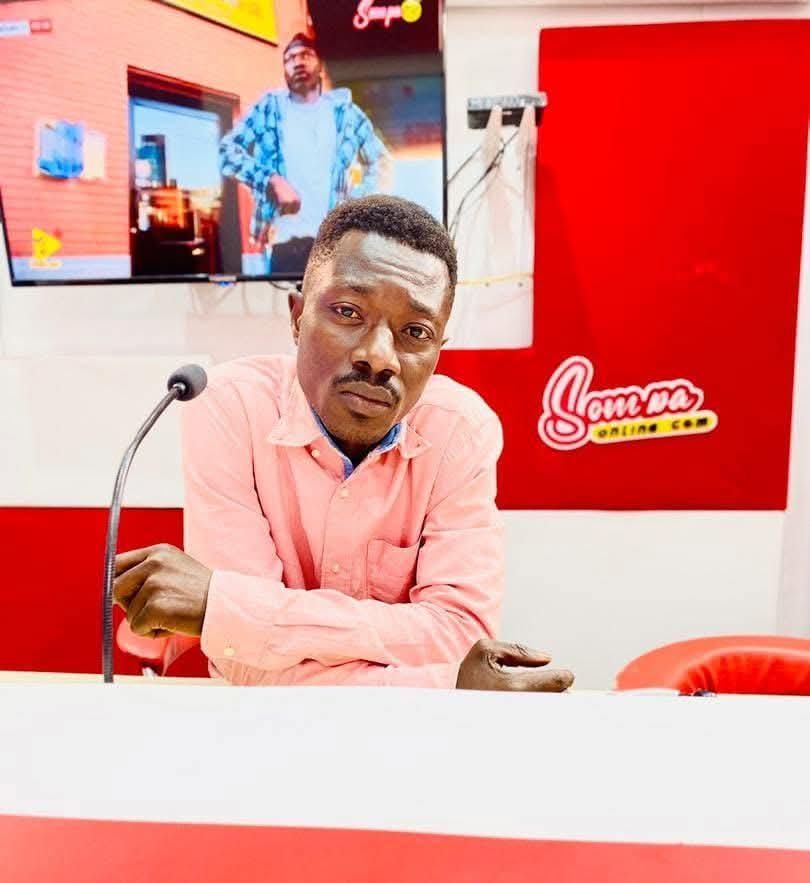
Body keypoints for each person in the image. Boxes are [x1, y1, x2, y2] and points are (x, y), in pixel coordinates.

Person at [113, 195, 573, 693]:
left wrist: (235, 612)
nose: (379, 357)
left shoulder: (460, 431)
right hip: (265, 720)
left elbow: (460, 634)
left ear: (438, 351)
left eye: (415, 332)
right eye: (348, 312)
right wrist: (442, 682)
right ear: (297, 317)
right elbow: (245, 665)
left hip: (410, 728)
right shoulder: (228, 406)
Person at [220, 32, 390, 275]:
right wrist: (272, 180)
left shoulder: (345, 113)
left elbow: (381, 161)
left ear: (320, 65)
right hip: (284, 245)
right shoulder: (269, 108)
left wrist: (354, 207)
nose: (298, 62)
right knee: (286, 300)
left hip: (333, 246)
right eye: (290, 58)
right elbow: (227, 151)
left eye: (306, 55)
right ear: (284, 69)